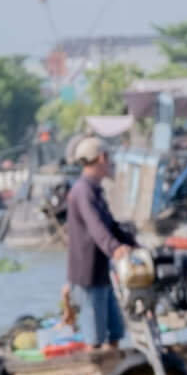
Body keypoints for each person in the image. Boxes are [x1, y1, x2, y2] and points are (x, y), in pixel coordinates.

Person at [63, 135, 140, 349]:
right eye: (109, 158)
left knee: (115, 331)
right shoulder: (82, 191)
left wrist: (135, 245)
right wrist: (114, 249)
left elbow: (110, 226)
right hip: (87, 276)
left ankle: (112, 371)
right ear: (102, 158)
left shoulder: (94, 190)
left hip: (101, 272)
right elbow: (96, 226)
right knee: (94, 338)